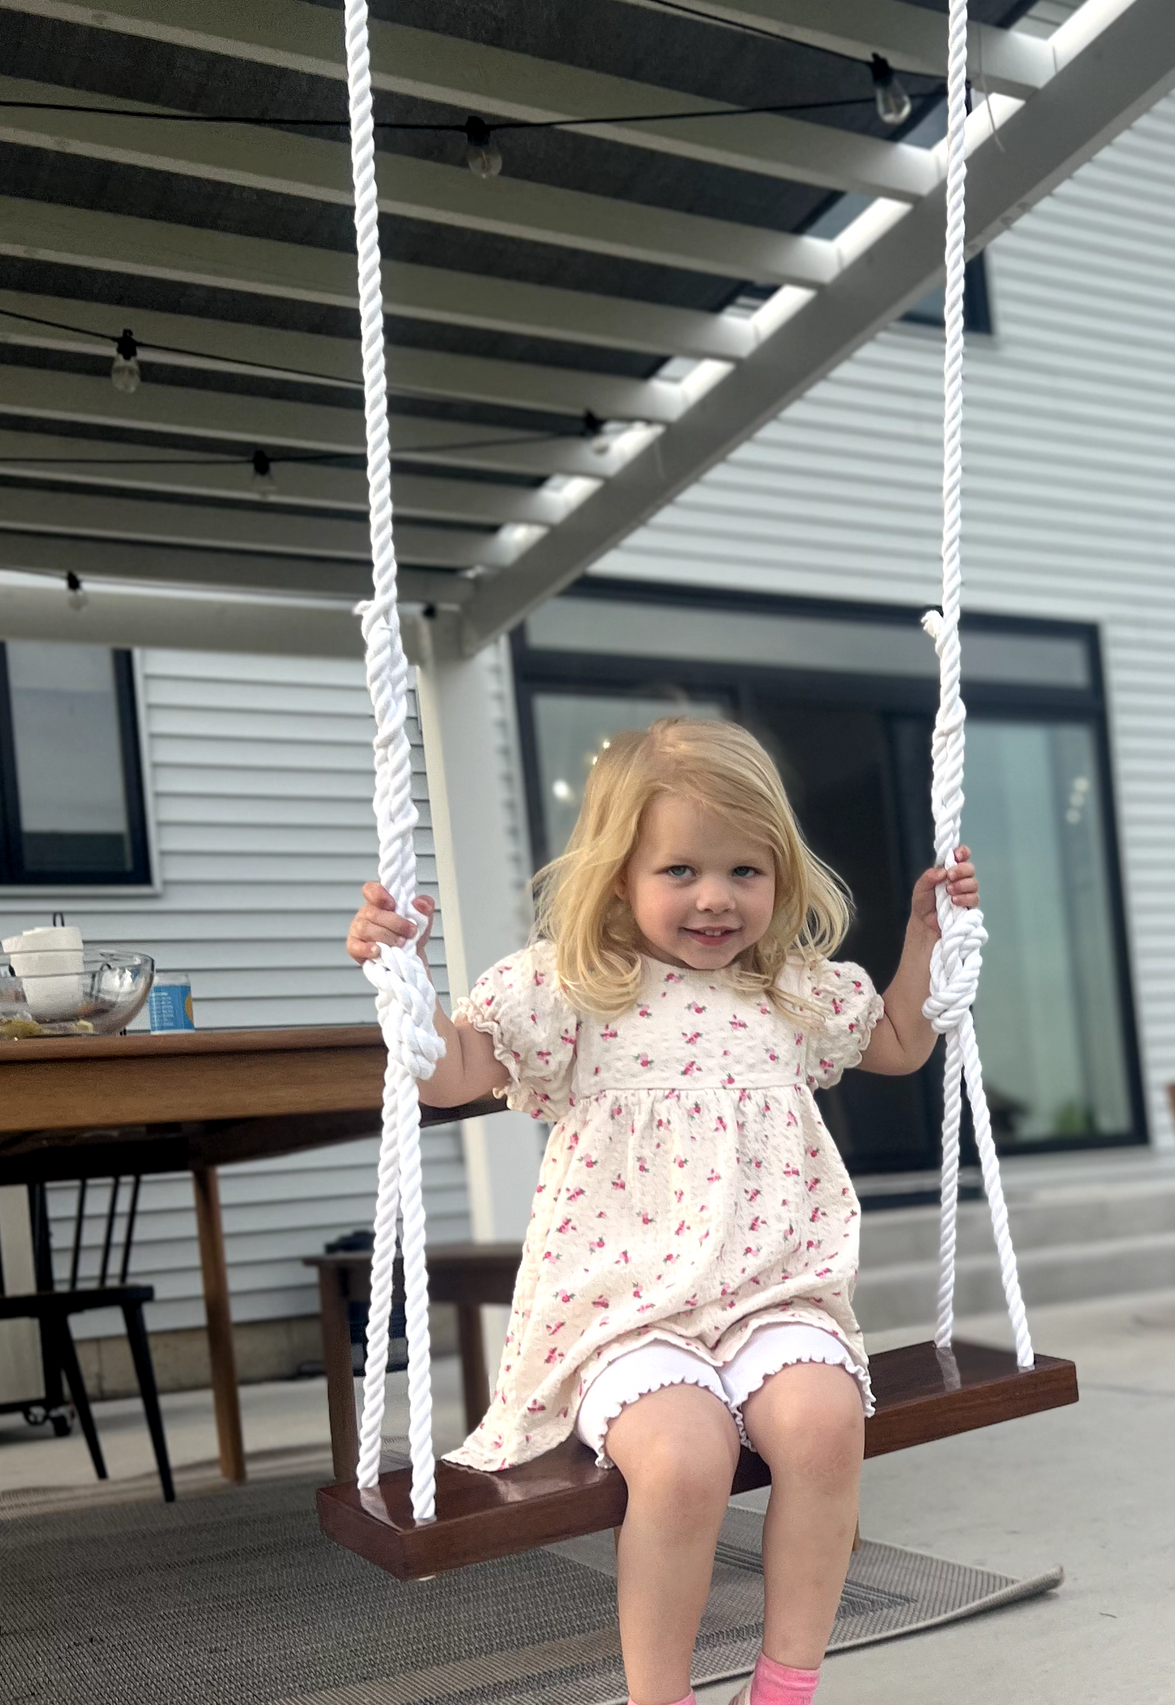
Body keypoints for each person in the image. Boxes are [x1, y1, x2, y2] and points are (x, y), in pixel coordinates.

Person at [346, 717, 978, 1705]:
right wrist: (405, 981)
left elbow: (898, 1039)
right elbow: (452, 1072)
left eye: (743, 870)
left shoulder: (791, 990)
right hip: (628, 1309)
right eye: (679, 869)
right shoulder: (572, 989)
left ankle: (783, 1688)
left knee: (824, 1429)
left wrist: (926, 941)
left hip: (772, 1293)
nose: (714, 896)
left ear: (779, 876)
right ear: (618, 878)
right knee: (684, 1463)